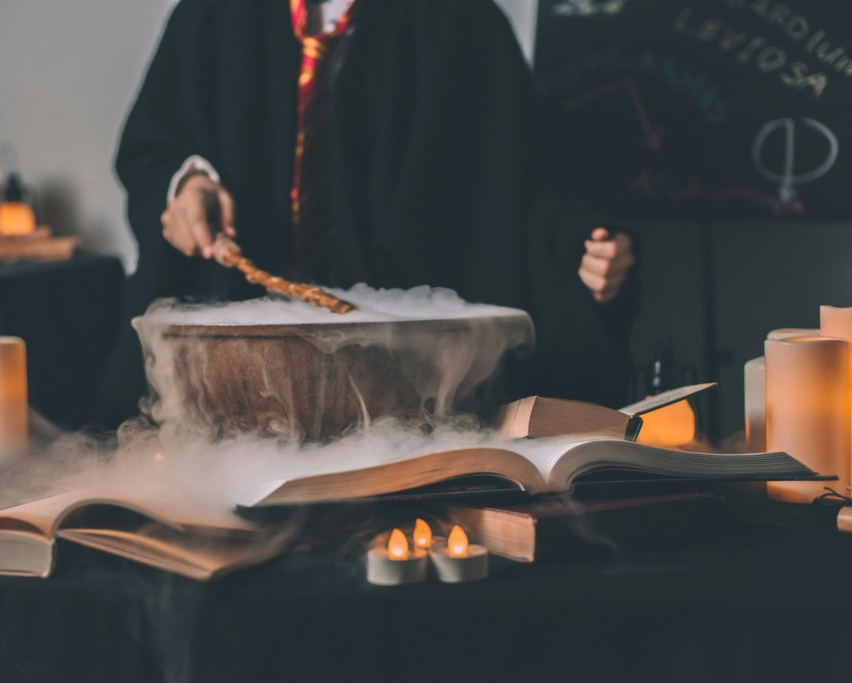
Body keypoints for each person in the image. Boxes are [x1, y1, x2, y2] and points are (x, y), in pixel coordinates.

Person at [99, 0, 637, 426]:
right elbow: (151, 149)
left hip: (406, 379)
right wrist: (185, 183)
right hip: (233, 378)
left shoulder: (463, 23)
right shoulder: (210, 17)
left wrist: (576, 249)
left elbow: (518, 189)